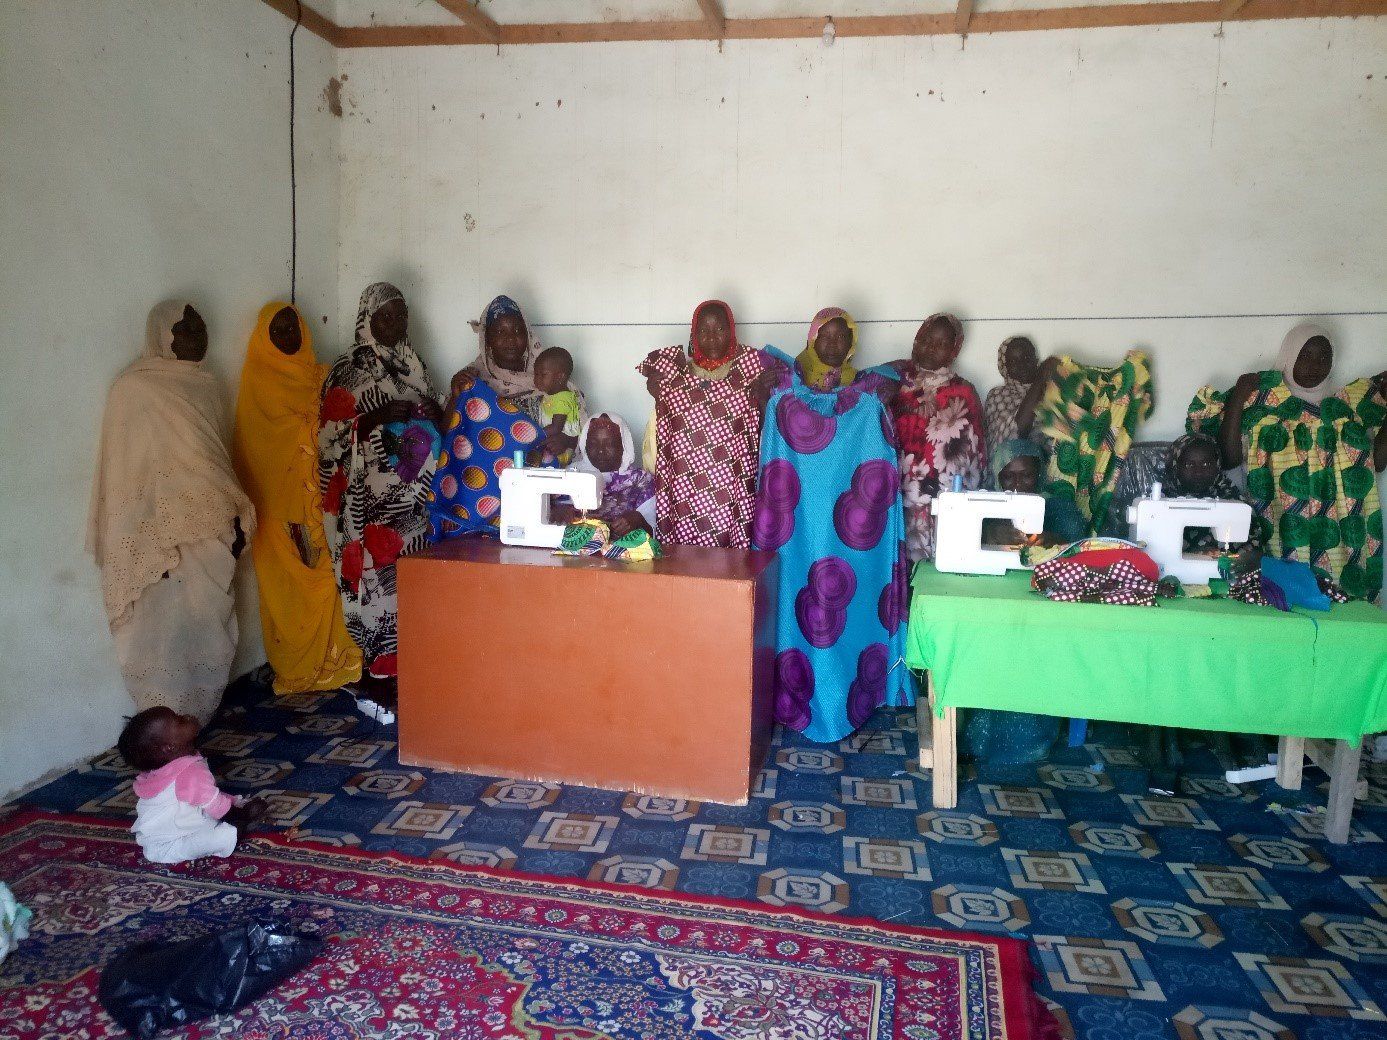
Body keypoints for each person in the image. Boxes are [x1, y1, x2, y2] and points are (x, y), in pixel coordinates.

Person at [88, 301, 256, 724]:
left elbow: (215, 460)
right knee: (160, 635)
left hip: (211, 532)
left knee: (207, 627)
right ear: (162, 336)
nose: (198, 337)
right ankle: (162, 725)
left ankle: (195, 720)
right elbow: (128, 478)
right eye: (185, 328)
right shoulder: (134, 390)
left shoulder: (208, 385)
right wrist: (148, 545)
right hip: (159, 544)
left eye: (201, 328)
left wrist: (234, 518)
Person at [753, 308, 912, 743]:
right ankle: (792, 696)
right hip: (797, 527)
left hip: (850, 533)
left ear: (852, 343)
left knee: (847, 605)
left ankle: (845, 694)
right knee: (791, 594)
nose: (834, 344)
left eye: (843, 337)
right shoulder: (781, 392)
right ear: (812, 338)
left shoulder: (869, 397)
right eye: (826, 335)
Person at [319, 282, 442, 710]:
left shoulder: (414, 365)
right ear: (366, 320)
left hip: (412, 504)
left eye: (401, 314)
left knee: (409, 578)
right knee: (375, 581)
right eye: (385, 315)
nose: (395, 323)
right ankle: (377, 674)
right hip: (367, 501)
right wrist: (374, 418)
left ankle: (408, 670)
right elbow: (328, 439)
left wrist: (435, 412)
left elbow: (436, 420)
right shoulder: (347, 370)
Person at [1199, 323, 1386, 602]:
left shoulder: (1348, 410)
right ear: (1290, 354)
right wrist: (1238, 397)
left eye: (1324, 357)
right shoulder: (1262, 405)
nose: (1315, 365)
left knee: (1338, 609)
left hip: (1339, 540)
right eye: (1306, 355)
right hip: (1275, 525)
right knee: (1278, 600)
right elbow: (1228, 460)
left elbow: (1376, 464)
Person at [233, 302, 362, 695]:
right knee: (294, 583)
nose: (288, 335)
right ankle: (299, 666)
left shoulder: (321, 376)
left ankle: (339, 658)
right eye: (279, 330)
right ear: (264, 338)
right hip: (280, 510)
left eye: (293, 327)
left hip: (327, 500)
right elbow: (257, 456)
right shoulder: (258, 386)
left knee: (333, 576)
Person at [431, 296, 582, 539]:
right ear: (487, 338)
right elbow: (447, 438)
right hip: (481, 496)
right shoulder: (471, 381)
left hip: (542, 498)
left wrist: (567, 440)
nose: (511, 339)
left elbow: (583, 436)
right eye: (500, 331)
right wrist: (456, 396)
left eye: (518, 330)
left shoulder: (551, 379)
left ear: (528, 334)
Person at [638, 300, 778, 548]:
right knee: (684, 557)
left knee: (731, 560)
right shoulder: (672, 376)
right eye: (704, 330)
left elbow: (767, 432)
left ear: (732, 331)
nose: (712, 338)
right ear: (694, 334)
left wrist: (764, 399)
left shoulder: (752, 372)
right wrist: (659, 398)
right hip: (684, 491)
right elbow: (658, 437)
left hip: (733, 489)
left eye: (720, 329)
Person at [1017, 349, 1154, 537]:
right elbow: (1147, 409)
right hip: (1067, 467)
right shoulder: (1064, 372)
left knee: (1072, 523)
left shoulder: (1133, 374)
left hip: (1094, 463)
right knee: (1063, 515)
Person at [889, 312, 987, 562]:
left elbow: (977, 452)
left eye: (942, 343)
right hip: (897, 495)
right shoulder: (892, 383)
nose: (932, 348)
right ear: (917, 340)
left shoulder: (964, 391)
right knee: (900, 565)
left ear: (954, 350)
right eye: (928, 340)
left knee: (943, 563)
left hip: (946, 498)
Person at [119, 706, 267, 864]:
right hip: (167, 845)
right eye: (180, 721)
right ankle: (233, 831)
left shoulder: (168, 766)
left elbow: (205, 794)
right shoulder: (190, 772)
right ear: (171, 746)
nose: (187, 716)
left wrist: (231, 802)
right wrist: (243, 814)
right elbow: (217, 806)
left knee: (207, 816)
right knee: (216, 838)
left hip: (176, 825)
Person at [558, 413, 656, 538]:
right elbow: (552, 513)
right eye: (593, 444)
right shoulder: (571, 474)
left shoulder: (641, 481)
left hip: (625, 549)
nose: (600, 450)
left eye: (609, 444)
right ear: (585, 445)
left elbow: (655, 534)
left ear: (623, 445)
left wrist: (638, 520)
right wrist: (557, 511)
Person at [981, 439, 1088, 547]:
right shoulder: (986, 508)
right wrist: (989, 533)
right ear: (998, 478)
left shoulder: (1059, 509)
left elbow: (1077, 542)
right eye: (1008, 476)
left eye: (1027, 475)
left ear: (1039, 475)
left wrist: (1055, 540)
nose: (1018, 484)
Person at [983, 335, 1042, 468]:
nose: (1021, 365)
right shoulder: (997, 395)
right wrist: (1042, 378)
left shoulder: (1052, 393)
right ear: (1005, 367)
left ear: (1036, 361)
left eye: (1026, 358)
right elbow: (1014, 434)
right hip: (1012, 474)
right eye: (1014, 361)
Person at [535, 346, 582, 462]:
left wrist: (535, 435)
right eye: (536, 374)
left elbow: (556, 428)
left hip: (563, 450)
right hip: (553, 444)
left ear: (560, 377)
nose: (537, 379)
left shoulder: (563, 399)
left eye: (543, 375)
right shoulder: (551, 395)